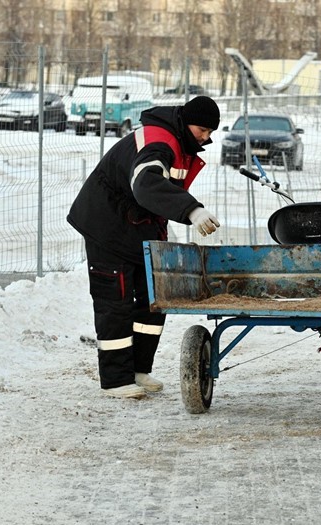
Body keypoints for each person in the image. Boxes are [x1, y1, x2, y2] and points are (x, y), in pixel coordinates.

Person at [67, 96, 222, 399]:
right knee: (116, 301)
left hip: (136, 227)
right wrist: (192, 210)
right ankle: (116, 380)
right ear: (186, 122)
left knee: (152, 298)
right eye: (203, 130)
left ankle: (139, 370)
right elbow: (146, 184)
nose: (207, 138)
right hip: (106, 227)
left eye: (210, 132)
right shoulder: (159, 142)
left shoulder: (178, 143)